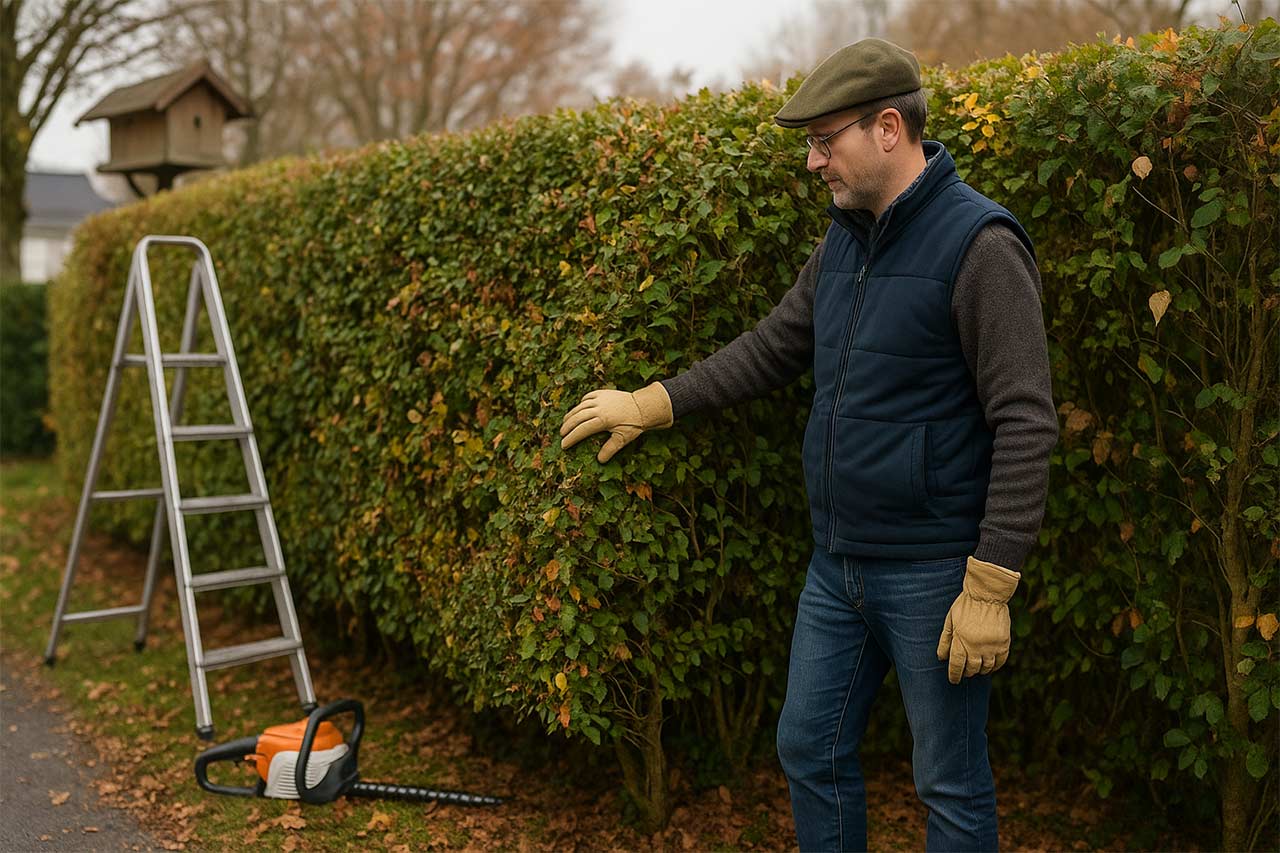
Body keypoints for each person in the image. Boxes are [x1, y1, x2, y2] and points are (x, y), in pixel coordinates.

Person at [558, 37, 1058, 853]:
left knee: (951, 783)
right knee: (806, 748)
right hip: (839, 565)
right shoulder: (845, 244)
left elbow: (1027, 418)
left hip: (936, 572)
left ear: (888, 127)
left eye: (827, 141)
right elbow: (772, 347)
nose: (814, 161)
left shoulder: (981, 246)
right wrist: (653, 402)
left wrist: (991, 583)